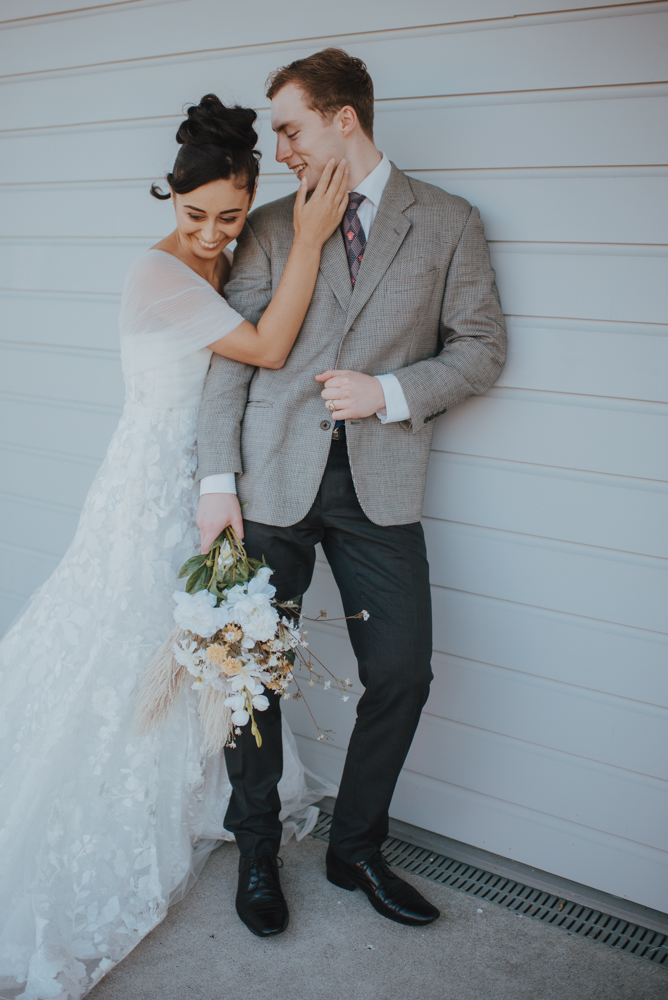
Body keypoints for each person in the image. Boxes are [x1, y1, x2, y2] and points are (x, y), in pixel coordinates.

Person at [0, 94, 347, 1000]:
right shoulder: (158, 275)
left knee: (190, 642)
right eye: (195, 215)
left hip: (203, 476)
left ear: (248, 197)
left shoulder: (227, 254)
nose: (212, 234)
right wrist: (306, 242)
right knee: (124, 636)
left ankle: (205, 796)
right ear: (170, 199)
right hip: (151, 479)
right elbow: (268, 347)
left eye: (230, 217)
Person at [196, 49, 507, 936]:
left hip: (383, 484)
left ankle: (356, 847)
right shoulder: (265, 225)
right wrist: (216, 480)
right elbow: (233, 356)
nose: (280, 148)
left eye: (290, 128)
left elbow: (482, 346)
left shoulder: (447, 221)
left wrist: (391, 393)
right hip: (267, 483)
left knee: (403, 672)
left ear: (344, 119)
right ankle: (256, 844)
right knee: (246, 668)